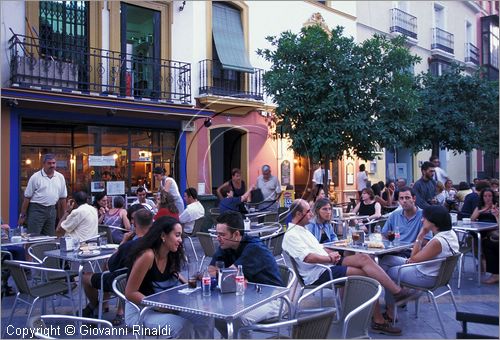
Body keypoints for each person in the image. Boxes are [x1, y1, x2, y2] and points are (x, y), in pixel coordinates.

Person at [282, 199, 416, 335]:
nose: (311, 214)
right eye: (308, 211)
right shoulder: (292, 235)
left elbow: (319, 248)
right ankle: (379, 318)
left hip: (327, 264)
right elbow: (308, 258)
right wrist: (329, 258)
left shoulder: (303, 230)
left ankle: (396, 293)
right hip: (319, 273)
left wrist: (331, 253)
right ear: (298, 214)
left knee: (365, 258)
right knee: (368, 276)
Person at [124, 216, 213, 338]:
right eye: (177, 235)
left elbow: (175, 279)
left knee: (204, 317)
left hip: (165, 307)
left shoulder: (170, 254)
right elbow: (130, 293)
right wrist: (158, 306)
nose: (181, 240)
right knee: (181, 326)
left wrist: (192, 283)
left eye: (181, 236)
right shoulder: (148, 256)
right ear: (163, 236)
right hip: (141, 311)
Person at [208, 211, 283, 337]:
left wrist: (226, 274)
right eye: (217, 234)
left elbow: (228, 276)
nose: (217, 238)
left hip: (273, 298)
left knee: (239, 318)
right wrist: (227, 275)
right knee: (213, 314)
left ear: (236, 234)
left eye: (222, 234)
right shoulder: (226, 246)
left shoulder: (254, 248)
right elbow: (210, 272)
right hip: (246, 296)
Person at [382, 205, 459, 322]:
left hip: (426, 276)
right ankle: (399, 295)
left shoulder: (437, 241)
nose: (422, 220)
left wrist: (421, 235)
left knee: (389, 272)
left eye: (425, 218)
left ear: (434, 221)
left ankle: (391, 310)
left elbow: (413, 258)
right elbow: (417, 258)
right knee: (386, 260)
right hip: (433, 270)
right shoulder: (450, 233)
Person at [81, 209, 153, 324]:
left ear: (134, 223)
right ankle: (106, 305)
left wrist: (123, 241)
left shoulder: (130, 245)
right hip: (145, 283)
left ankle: (93, 304)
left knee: (85, 276)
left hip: (120, 281)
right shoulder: (155, 242)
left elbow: (110, 265)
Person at [18, 154, 67, 236]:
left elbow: (63, 198)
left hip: (51, 210)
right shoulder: (35, 177)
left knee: (50, 237)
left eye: (53, 163)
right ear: (43, 164)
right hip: (37, 209)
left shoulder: (60, 177)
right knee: (33, 236)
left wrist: (65, 214)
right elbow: (27, 198)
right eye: (49, 163)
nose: (52, 165)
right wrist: (22, 215)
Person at [381, 186, 432, 257]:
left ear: (414, 199)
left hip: (411, 252)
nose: (404, 201)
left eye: (407, 198)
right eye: (401, 198)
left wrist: (406, 247)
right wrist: (389, 246)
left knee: (382, 260)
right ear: (399, 201)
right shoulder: (394, 215)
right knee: (369, 257)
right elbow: (384, 234)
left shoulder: (424, 215)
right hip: (393, 251)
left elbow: (426, 240)